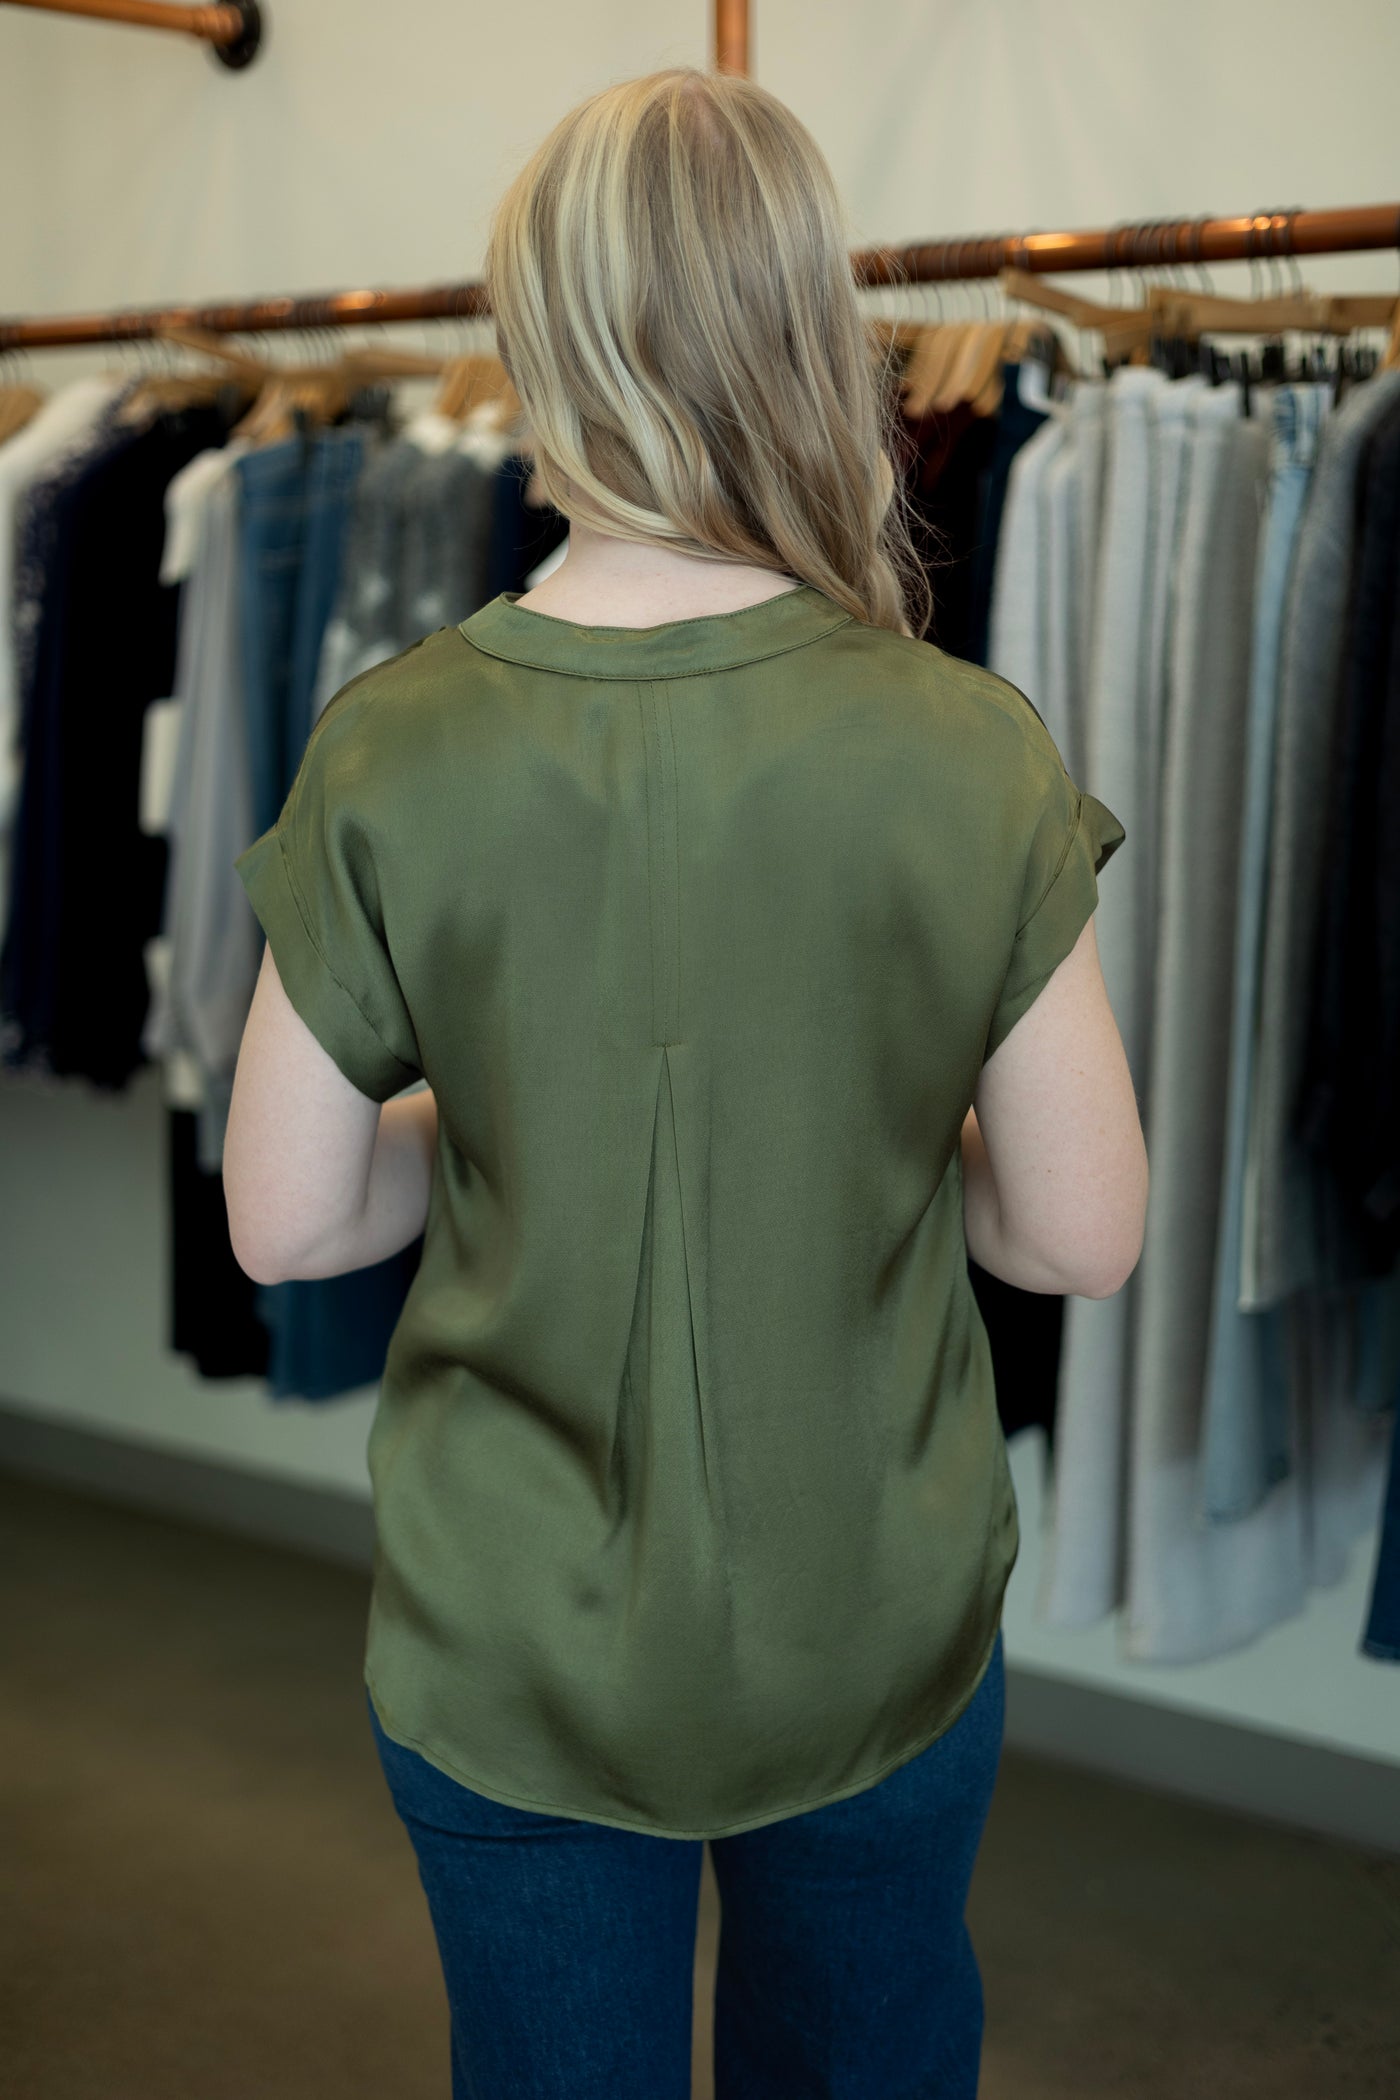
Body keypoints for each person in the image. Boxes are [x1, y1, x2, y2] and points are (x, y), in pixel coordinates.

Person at [225, 64, 1147, 2100]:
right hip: (876, 1621)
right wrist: (877, 1116)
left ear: (535, 342)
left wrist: (485, 1110)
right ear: (810, 332)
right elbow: (1079, 1235)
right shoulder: (961, 742)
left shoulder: (394, 746)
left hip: (512, 1642)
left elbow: (289, 1218)